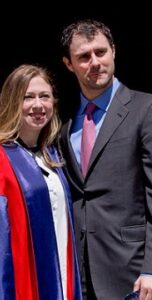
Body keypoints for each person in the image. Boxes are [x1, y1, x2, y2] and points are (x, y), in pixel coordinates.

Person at [0, 64, 82, 300]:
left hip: (62, 280)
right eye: (28, 97)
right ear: (12, 102)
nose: (38, 105)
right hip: (20, 288)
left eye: (44, 96)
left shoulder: (52, 157)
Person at [59, 18, 152, 300]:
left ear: (114, 50)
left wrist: (151, 269)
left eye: (101, 52)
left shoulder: (144, 108)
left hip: (132, 271)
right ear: (69, 64)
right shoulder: (62, 123)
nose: (95, 62)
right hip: (77, 272)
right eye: (83, 57)